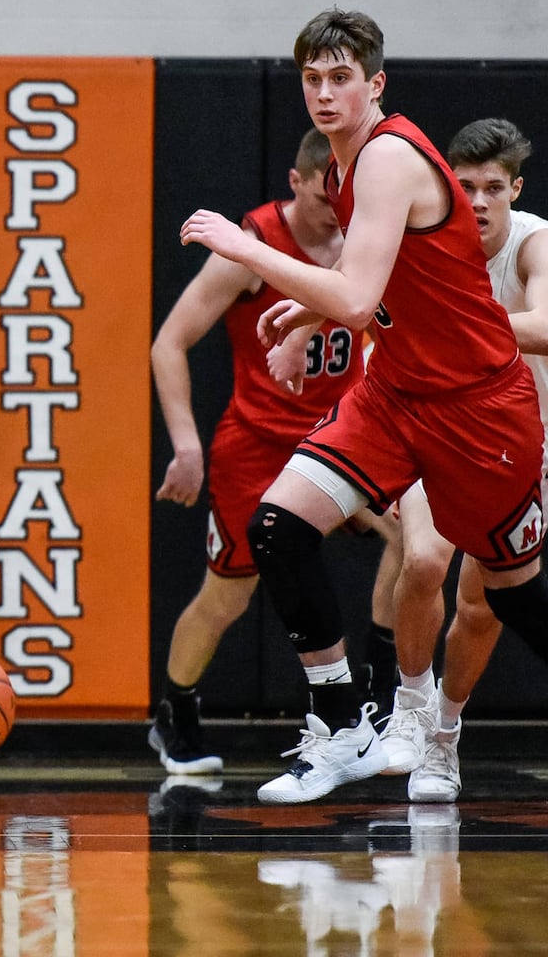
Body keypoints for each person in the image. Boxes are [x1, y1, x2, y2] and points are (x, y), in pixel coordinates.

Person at [179, 8, 548, 820]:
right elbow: (384, 286)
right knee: (277, 528)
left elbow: (359, 295)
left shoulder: (390, 156)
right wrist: (303, 315)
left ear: (374, 85)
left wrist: (248, 250)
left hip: (478, 409)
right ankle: (341, 724)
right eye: (311, 79)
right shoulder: (341, 165)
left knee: (509, 592)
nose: (323, 94)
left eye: (340, 79)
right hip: (396, 392)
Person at [144, 129, 400, 775]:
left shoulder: (367, 236)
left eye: (341, 197)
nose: (333, 210)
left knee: (414, 539)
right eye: (321, 199)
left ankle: (384, 697)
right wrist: (184, 445)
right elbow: (168, 343)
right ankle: (174, 707)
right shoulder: (248, 247)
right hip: (257, 443)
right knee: (226, 597)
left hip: (344, 432)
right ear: (294, 184)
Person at [378, 119, 548, 803]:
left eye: (492, 187)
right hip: (436, 427)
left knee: (482, 602)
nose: (477, 201)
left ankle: (444, 733)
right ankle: (408, 707)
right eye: (462, 187)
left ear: (514, 190)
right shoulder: (424, 242)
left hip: (526, 436)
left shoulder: (537, 240)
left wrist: (444, 329)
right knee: (424, 560)